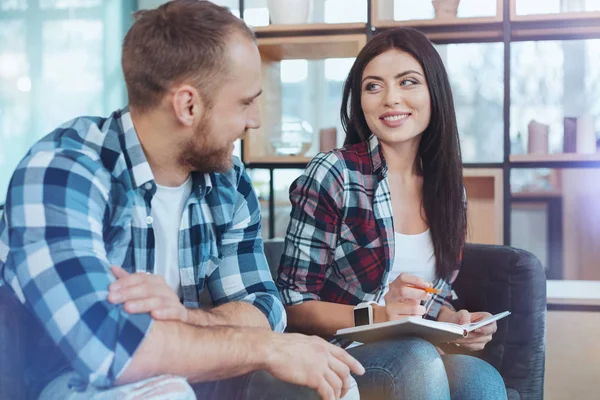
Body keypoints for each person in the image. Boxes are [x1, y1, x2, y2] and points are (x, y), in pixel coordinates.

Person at [0, 1, 364, 399]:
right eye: (245, 102)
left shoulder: (228, 181)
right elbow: (112, 353)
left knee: (336, 384)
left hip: (198, 374)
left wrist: (187, 318)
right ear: (188, 105)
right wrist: (268, 348)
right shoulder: (63, 171)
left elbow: (265, 309)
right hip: (65, 381)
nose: (255, 120)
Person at [277, 27, 508, 400]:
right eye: (373, 86)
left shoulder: (448, 190)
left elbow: (433, 297)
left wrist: (456, 322)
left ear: (434, 92)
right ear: (360, 99)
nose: (391, 99)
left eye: (408, 82)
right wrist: (380, 314)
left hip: (419, 350)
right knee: (415, 358)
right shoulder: (335, 173)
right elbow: (292, 304)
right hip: (340, 353)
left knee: (481, 379)